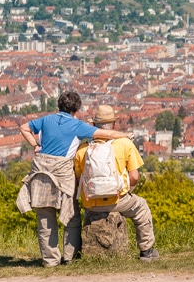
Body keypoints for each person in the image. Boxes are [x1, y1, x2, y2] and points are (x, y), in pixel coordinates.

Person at [17, 90, 132, 267]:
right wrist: (125, 136)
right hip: (63, 175)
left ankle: (50, 260)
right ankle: (70, 257)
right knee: (71, 216)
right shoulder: (77, 125)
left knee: (45, 218)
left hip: (41, 173)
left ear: (59, 105)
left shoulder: (46, 120)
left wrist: (36, 145)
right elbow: (106, 134)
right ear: (76, 108)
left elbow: (24, 128)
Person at [74, 104, 159, 262]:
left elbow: (79, 180)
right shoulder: (124, 143)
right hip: (117, 200)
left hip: (90, 203)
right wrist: (127, 190)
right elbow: (134, 177)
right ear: (113, 125)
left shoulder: (82, 149)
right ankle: (146, 251)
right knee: (141, 208)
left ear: (93, 125)